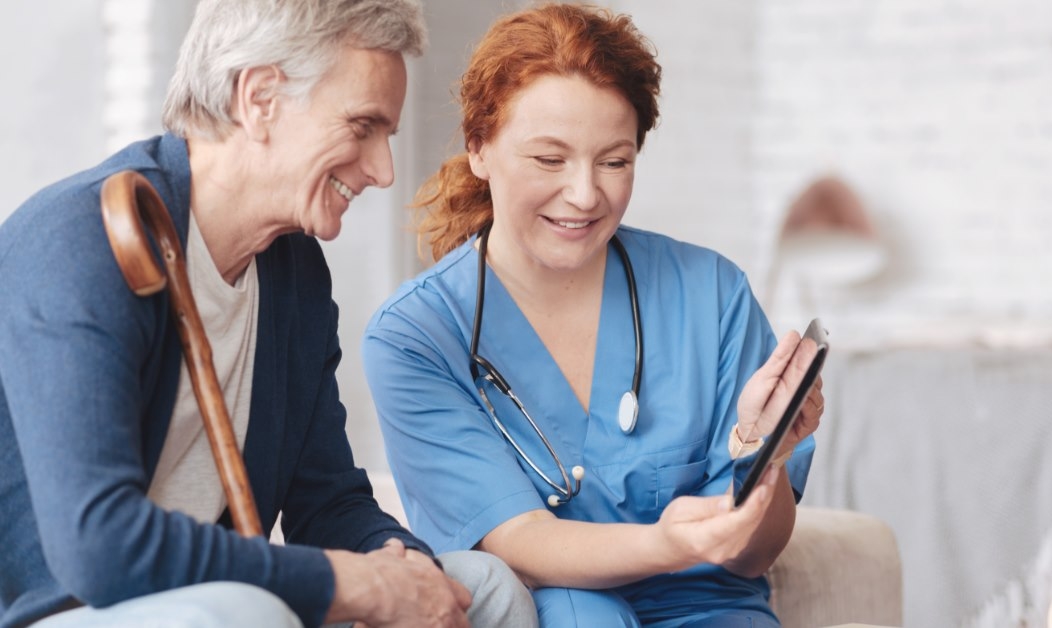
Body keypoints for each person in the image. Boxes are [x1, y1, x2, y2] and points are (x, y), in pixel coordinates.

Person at [0, 1, 537, 627]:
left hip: (221, 600)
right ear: (259, 99)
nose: (383, 171)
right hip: (70, 609)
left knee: (483, 588)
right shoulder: (80, 240)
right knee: (246, 612)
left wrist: (406, 571)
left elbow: (328, 503)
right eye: (362, 126)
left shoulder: (294, 272)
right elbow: (98, 548)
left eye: (386, 136)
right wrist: (353, 583)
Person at [361, 3, 826, 626]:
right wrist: (672, 543)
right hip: (557, 608)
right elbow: (516, 544)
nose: (584, 195)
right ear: (479, 148)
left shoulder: (711, 294)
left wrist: (758, 457)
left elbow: (750, 556)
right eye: (549, 160)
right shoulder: (416, 336)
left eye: (614, 161)